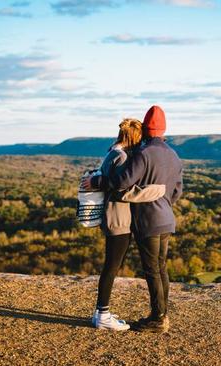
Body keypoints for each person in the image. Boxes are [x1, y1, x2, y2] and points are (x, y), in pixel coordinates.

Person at [84, 105, 183, 333]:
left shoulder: (144, 153)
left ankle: (158, 319)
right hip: (166, 218)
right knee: (161, 268)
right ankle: (162, 314)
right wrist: (164, 202)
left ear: (147, 129)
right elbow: (177, 191)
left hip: (148, 220)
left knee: (152, 270)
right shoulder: (173, 155)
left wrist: (97, 182)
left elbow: (121, 182)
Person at [91, 118, 142, 331]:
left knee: (110, 265)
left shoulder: (112, 152)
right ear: (133, 137)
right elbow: (121, 187)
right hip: (118, 219)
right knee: (111, 266)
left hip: (111, 217)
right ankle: (103, 314)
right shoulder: (122, 157)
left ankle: (100, 312)